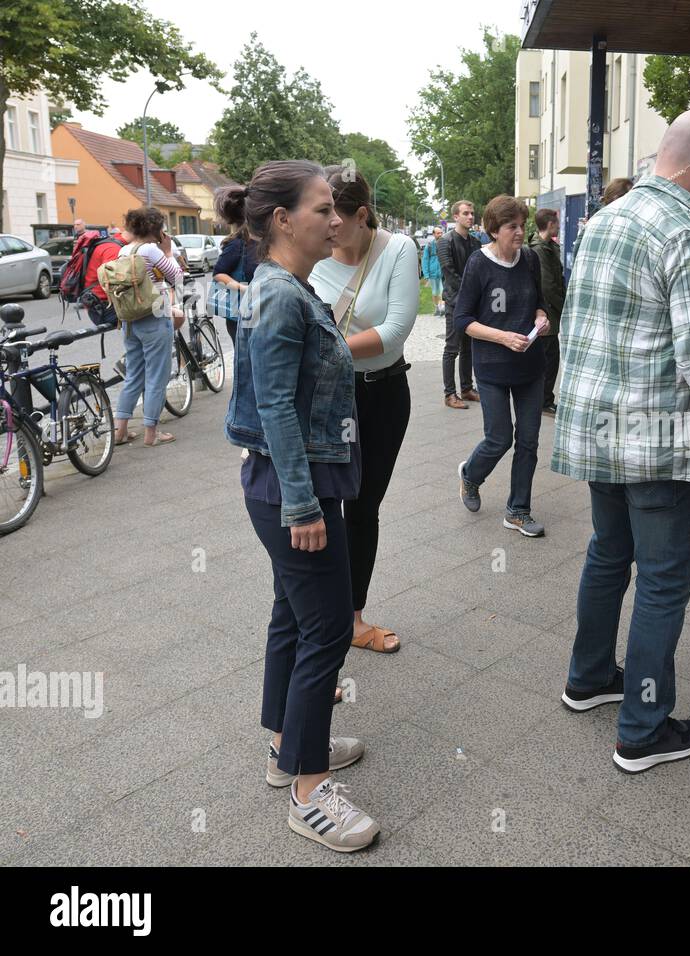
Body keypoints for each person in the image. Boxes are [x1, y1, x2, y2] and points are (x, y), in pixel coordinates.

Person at [553, 109, 690, 774]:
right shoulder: (687, 236)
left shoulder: (603, 220)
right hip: (660, 441)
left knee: (608, 556)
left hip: (600, 428)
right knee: (664, 583)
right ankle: (641, 729)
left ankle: (588, 678)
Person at [219, 161, 379, 852]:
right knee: (327, 632)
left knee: (294, 614)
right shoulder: (282, 294)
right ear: (283, 221)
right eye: (322, 210)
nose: (337, 220)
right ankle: (309, 793)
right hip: (296, 491)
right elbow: (277, 404)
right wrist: (303, 506)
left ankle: (287, 744)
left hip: (294, 485)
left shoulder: (289, 286)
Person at [311, 165, 419, 655]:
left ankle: (352, 618)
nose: (329, 228)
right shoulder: (313, 257)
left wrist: (324, 351)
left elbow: (396, 330)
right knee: (318, 509)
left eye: (337, 217)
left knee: (362, 506)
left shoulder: (397, 249)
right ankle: (319, 626)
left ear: (362, 214)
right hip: (330, 396)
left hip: (381, 394)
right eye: (321, 216)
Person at [454, 195, 549, 537]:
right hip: (493, 365)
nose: (521, 232)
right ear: (494, 230)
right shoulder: (479, 264)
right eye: (513, 227)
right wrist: (503, 337)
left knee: (528, 441)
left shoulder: (531, 259)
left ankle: (518, 510)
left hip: (530, 366)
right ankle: (471, 475)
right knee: (499, 438)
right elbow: (462, 319)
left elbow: (537, 302)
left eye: (523, 225)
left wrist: (541, 317)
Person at [110, 207, 185, 448]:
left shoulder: (124, 250)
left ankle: (120, 431)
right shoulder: (151, 250)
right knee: (156, 376)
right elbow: (177, 277)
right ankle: (151, 433)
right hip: (154, 317)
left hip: (130, 320)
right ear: (155, 229)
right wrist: (168, 252)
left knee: (133, 375)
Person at [437, 200, 480, 408]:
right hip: (455, 302)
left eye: (472, 213)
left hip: (471, 303)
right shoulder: (445, 241)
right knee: (451, 349)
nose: (470, 217)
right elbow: (450, 273)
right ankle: (449, 394)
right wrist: (468, 294)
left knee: (468, 348)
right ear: (455, 217)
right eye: (466, 213)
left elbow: (479, 271)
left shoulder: (474, 242)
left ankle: (467, 388)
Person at [529, 208, 565, 414]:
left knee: (549, 358)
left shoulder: (548, 246)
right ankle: (543, 401)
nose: (559, 226)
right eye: (556, 223)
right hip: (547, 311)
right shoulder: (540, 249)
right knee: (548, 359)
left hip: (551, 310)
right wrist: (564, 307)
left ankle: (544, 398)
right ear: (550, 224)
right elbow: (548, 286)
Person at [212, 224, 258, 345]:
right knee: (246, 359)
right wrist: (243, 288)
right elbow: (218, 274)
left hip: (261, 308)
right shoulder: (237, 244)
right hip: (241, 312)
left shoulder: (266, 243)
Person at [422, 225, 444, 315]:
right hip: (432, 273)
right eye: (438, 233)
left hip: (443, 273)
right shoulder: (429, 246)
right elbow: (425, 260)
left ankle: (442, 307)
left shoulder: (445, 244)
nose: (440, 234)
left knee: (443, 291)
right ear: (434, 234)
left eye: (441, 233)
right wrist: (426, 274)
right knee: (435, 291)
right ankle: (437, 308)